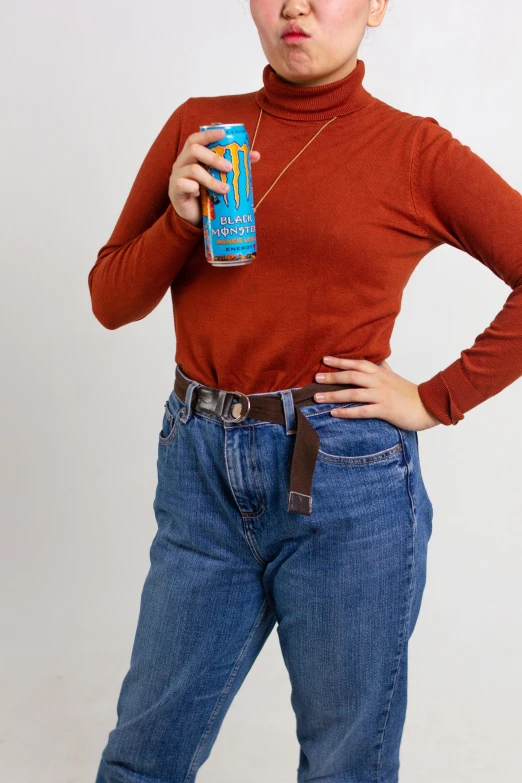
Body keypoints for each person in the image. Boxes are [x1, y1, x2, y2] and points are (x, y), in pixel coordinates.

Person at [88, 1, 522, 781]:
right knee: (141, 757)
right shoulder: (199, 126)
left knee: (344, 765)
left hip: (345, 481)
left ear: (377, 6)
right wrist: (181, 220)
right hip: (200, 471)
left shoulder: (412, 149)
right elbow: (110, 301)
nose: (297, 5)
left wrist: (435, 398)